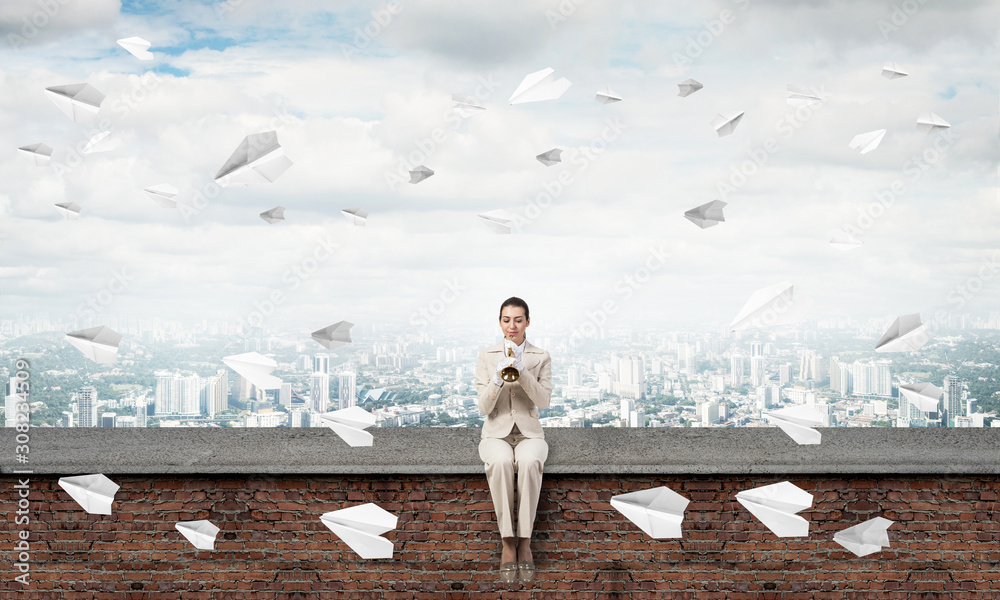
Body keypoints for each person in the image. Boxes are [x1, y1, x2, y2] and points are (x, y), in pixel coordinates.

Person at [475, 296, 552, 586]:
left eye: (518, 320)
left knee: (531, 461)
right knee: (501, 461)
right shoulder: (486, 355)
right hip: (496, 432)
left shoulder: (540, 356)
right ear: (500, 322)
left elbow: (543, 400)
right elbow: (483, 408)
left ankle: (525, 541)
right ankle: (508, 541)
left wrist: (523, 372)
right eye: (506, 320)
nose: (512, 325)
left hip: (530, 432)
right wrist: (497, 378)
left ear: (528, 322)